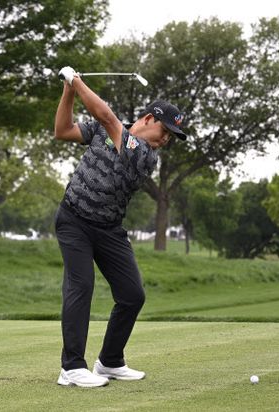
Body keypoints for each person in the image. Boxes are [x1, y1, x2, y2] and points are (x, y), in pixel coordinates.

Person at [54, 66, 187, 388]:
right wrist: (68, 91)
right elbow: (63, 130)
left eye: (171, 137)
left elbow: (106, 117)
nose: (165, 139)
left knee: (132, 295)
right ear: (149, 118)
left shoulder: (145, 155)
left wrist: (76, 80)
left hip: (108, 228)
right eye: (165, 131)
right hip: (74, 220)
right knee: (80, 286)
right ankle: (71, 367)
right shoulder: (107, 131)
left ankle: (110, 362)